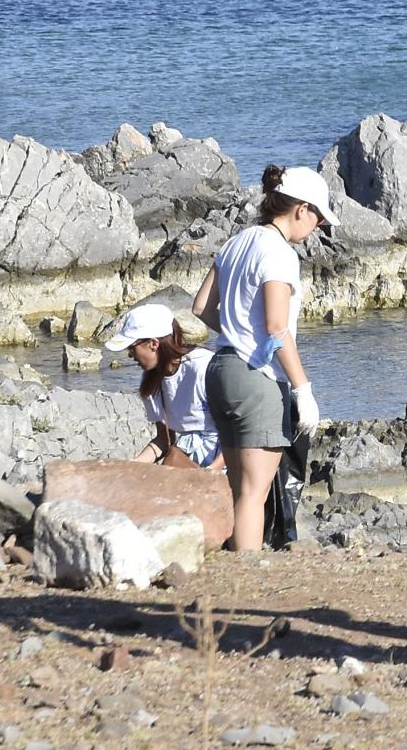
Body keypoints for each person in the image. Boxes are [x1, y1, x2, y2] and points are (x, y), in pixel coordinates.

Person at [192, 163, 335, 550]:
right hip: (255, 378)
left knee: (240, 489)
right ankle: (249, 573)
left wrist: (237, 331)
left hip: (219, 369)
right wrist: (303, 390)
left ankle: (242, 566)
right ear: (301, 209)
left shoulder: (238, 241)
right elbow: (276, 326)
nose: (318, 226)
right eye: (318, 217)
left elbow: (202, 307)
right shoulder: (279, 253)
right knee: (255, 495)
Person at [104, 302, 222, 470]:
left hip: (224, 460)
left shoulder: (203, 367)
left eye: (132, 348)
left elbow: (236, 431)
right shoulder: (151, 380)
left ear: (153, 343)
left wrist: (212, 472)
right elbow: (163, 441)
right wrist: (129, 467)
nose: (130, 355)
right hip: (185, 460)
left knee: (173, 459)